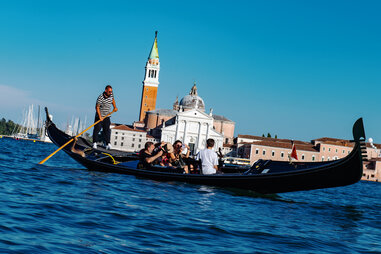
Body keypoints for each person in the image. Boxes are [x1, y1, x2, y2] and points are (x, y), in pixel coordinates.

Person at [93, 85, 118, 150]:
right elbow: (97, 107)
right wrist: (100, 117)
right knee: (97, 129)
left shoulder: (111, 95)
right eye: (109, 91)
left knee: (107, 130)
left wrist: (115, 107)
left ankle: (108, 144)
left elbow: (112, 100)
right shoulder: (100, 97)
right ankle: (94, 143)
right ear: (105, 91)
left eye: (111, 91)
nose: (110, 93)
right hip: (99, 116)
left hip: (107, 116)